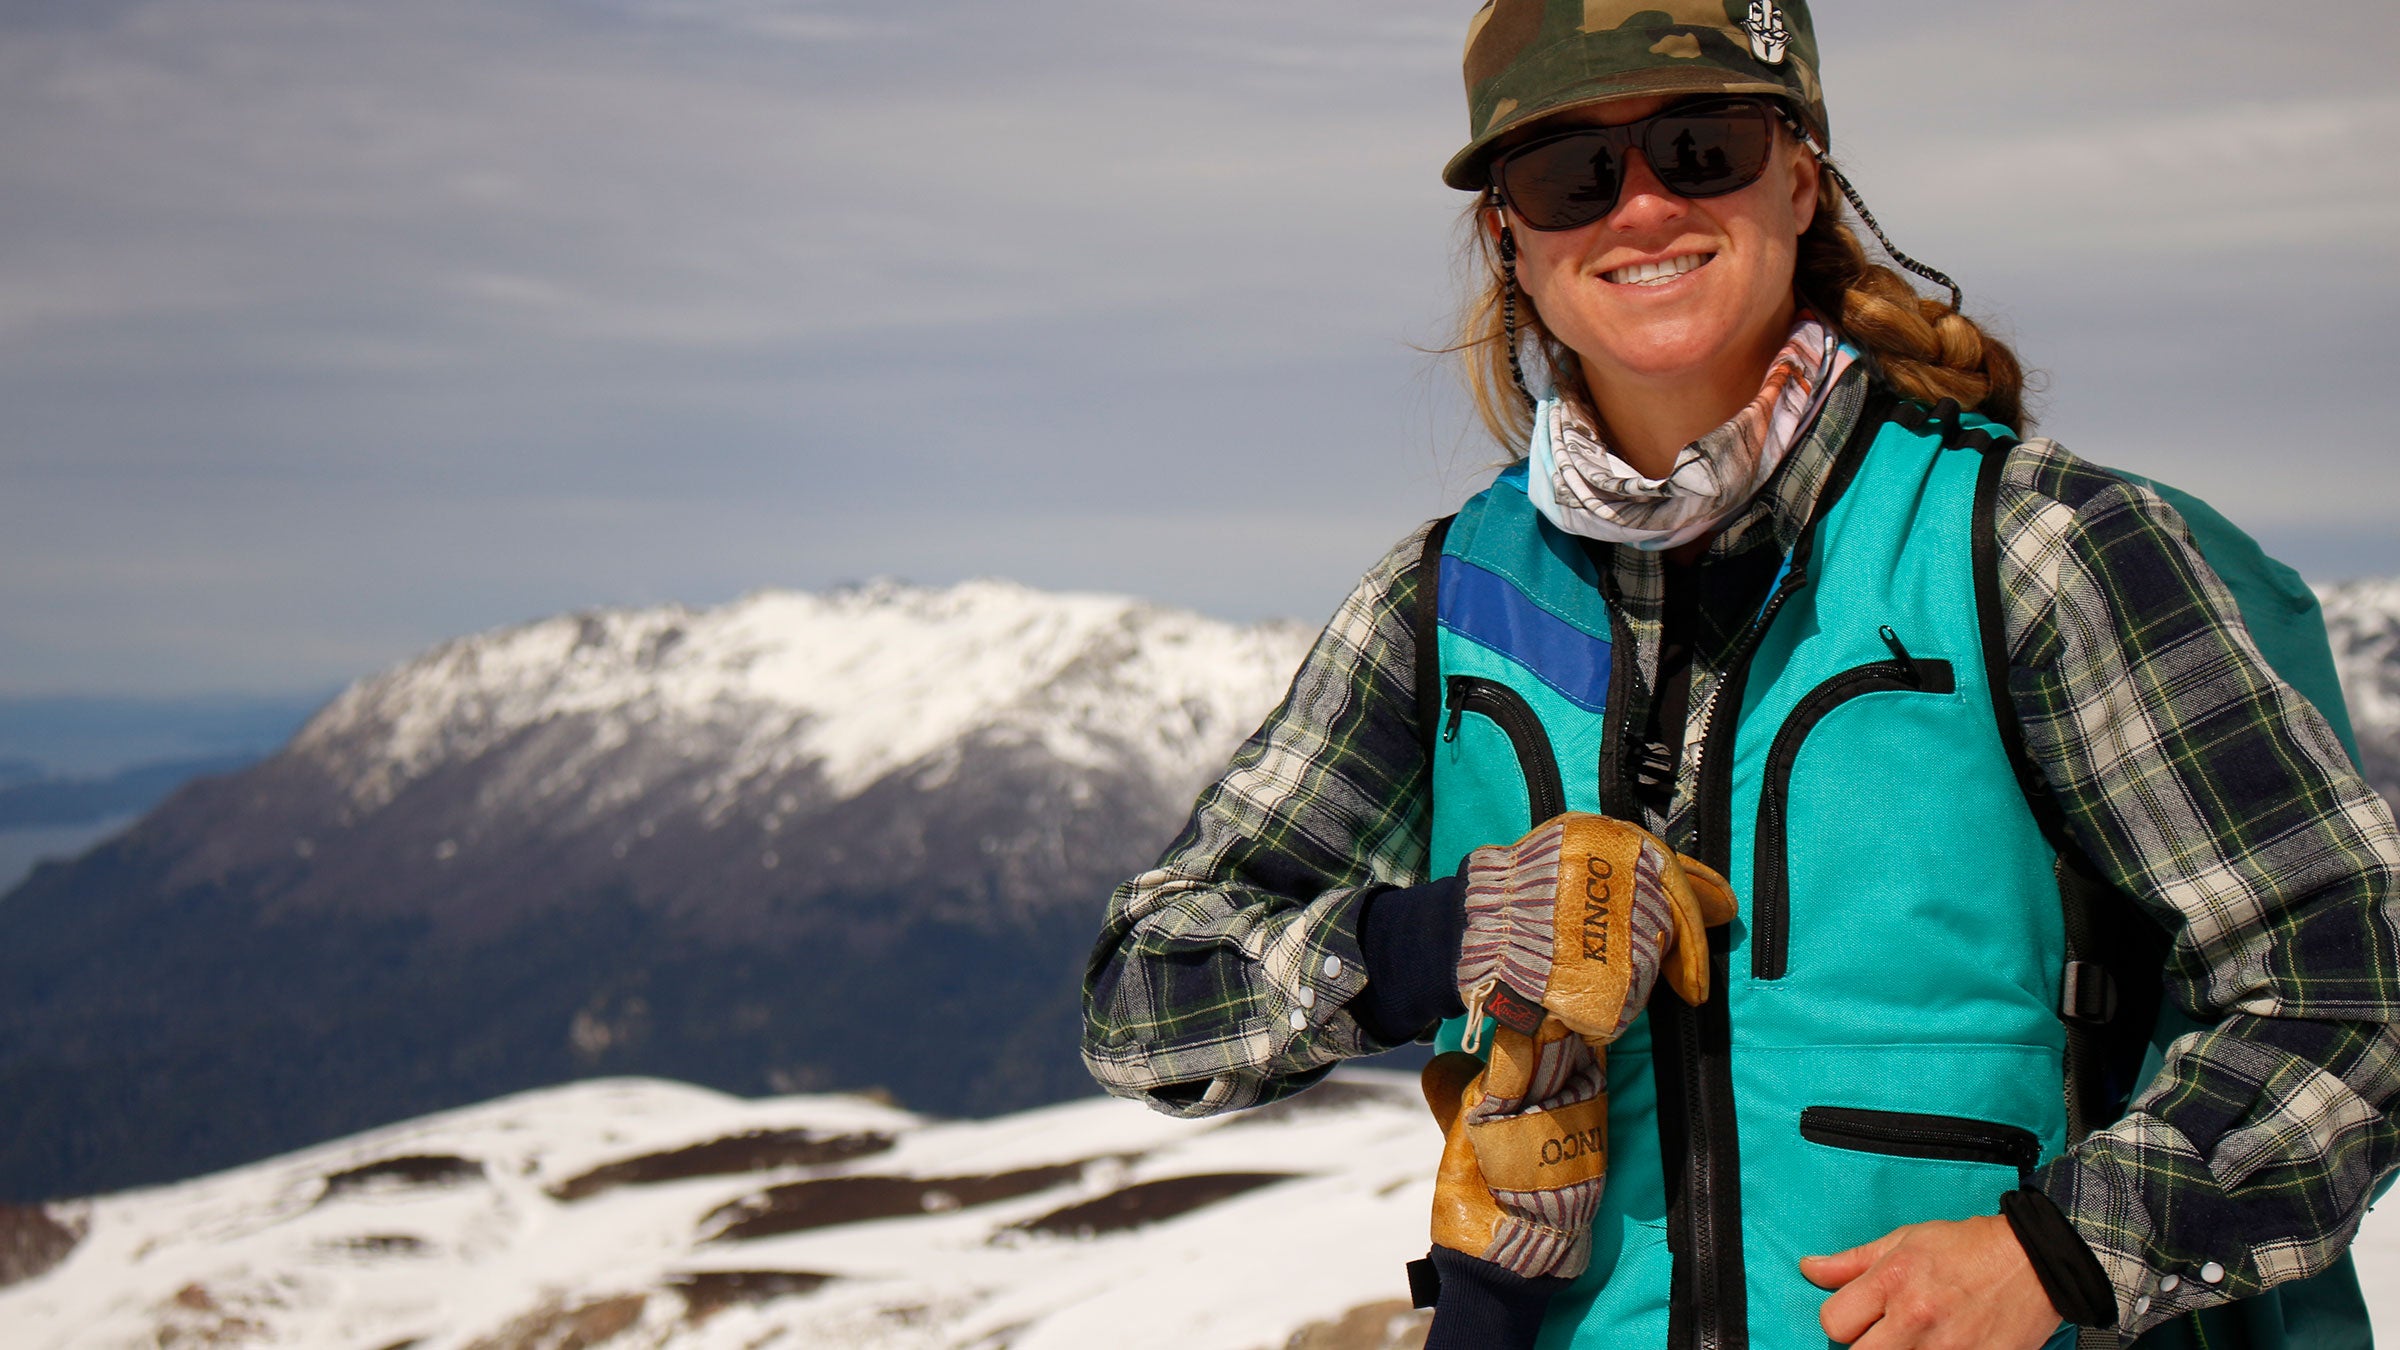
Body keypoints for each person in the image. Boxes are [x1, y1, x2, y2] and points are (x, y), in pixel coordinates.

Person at [1080, 2, 2400, 1347]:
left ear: (1802, 178)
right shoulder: (1446, 601)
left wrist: (2061, 1251)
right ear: (1510, 236)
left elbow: (2354, 980)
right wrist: (1446, 936)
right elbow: (1147, 992)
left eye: (1700, 146)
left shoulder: (2030, 549)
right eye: (1570, 173)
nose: (1641, 206)